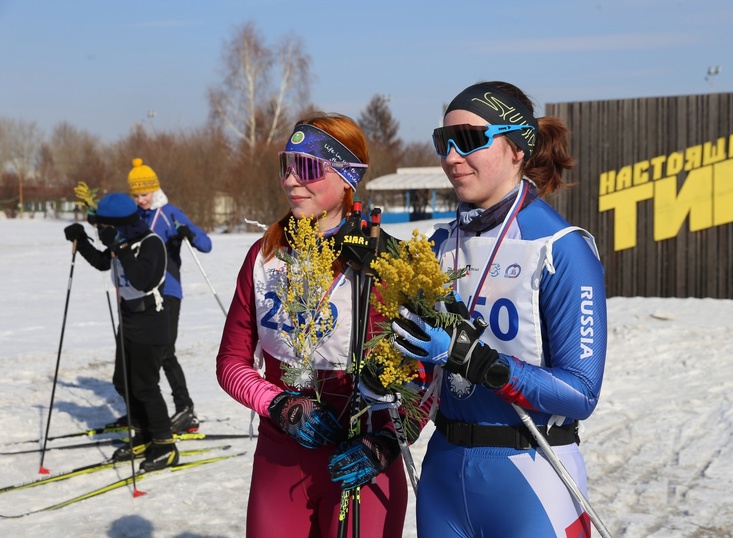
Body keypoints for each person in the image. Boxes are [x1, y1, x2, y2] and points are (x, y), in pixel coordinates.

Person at [390, 81, 608, 537]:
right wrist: (389, 386)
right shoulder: (439, 246)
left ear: (516, 148)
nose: (451, 157)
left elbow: (581, 392)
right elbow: (427, 373)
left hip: (532, 474)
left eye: (469, 140)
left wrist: (481, 362)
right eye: (443, 142)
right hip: (445, 476)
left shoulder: (560, 249)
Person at [216, 113, 415, 537]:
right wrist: (278, 405)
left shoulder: (390, 259)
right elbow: (231, 362)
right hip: (282, 455)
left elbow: (425, 376)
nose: (290, 181)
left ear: (347, 178)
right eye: (285, 166)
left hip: (360, 458)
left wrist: (386, 442)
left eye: (306, 168)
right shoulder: (264, 254)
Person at [64, 193, 179, 471]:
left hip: (151, 323)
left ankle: (165, 445)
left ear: (118, 225)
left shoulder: (151, 243)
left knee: (145, 387)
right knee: (122, 382)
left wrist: (120, 246)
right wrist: (81, 241)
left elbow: (142, 280)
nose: (101, 231)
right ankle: (141, 433)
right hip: (127, 320)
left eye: (104, 227)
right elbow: (104, 263)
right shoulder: (121, 240)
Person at [125, 157, 212, 433]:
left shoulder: (169, 212)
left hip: (169, 291)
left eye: (144, 193)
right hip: (141, 294)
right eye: (136, 195)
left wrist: (186, 232)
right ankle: (140, 411)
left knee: (165, 352)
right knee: (138, 353)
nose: (141, 199)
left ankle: (185, 408)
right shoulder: (135, 216)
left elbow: (206, 244)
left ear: (155, 189)